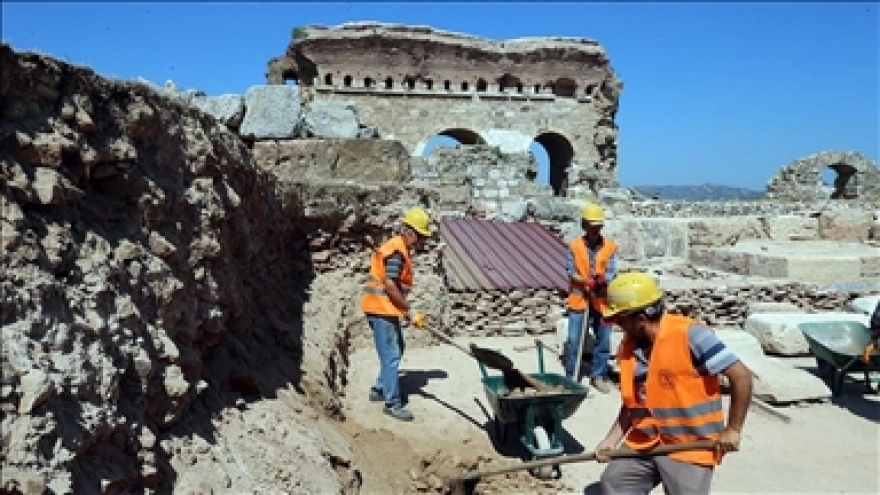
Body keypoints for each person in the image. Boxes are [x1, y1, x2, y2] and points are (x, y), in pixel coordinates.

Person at [594, 271, 753, 495]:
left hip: (690, 444)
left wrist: (733, 430)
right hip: (647, 440)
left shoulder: (691, 335)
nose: (617, 325)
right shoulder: (630, 346)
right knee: (615, 483)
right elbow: (635, 401)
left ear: (640, 319)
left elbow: (742, 376)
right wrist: (611, 439)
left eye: (620, 319)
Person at [360, 206, 432, 422]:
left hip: (385, 308)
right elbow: (390, 285)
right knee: (391, 356)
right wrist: (408, 311)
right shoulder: (397, 251)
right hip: (381, 309)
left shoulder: (399, 247)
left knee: (397, 348)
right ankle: (392, 403)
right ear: (409, 232)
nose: (419, 242)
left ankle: (380, 388)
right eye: (419, 237)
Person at [564, 203, 618, 392]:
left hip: (601, 300)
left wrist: (603, 280)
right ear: (584, 225)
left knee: (603, 340)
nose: (596, 230)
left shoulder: (609, 247)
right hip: (579, 299)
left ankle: (598, 375)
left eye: (598, 227)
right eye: (592, 226)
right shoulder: (574, 246)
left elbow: (612, 271)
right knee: (574, 340)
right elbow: (570, 272)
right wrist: (586, 282)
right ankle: (572, 376)